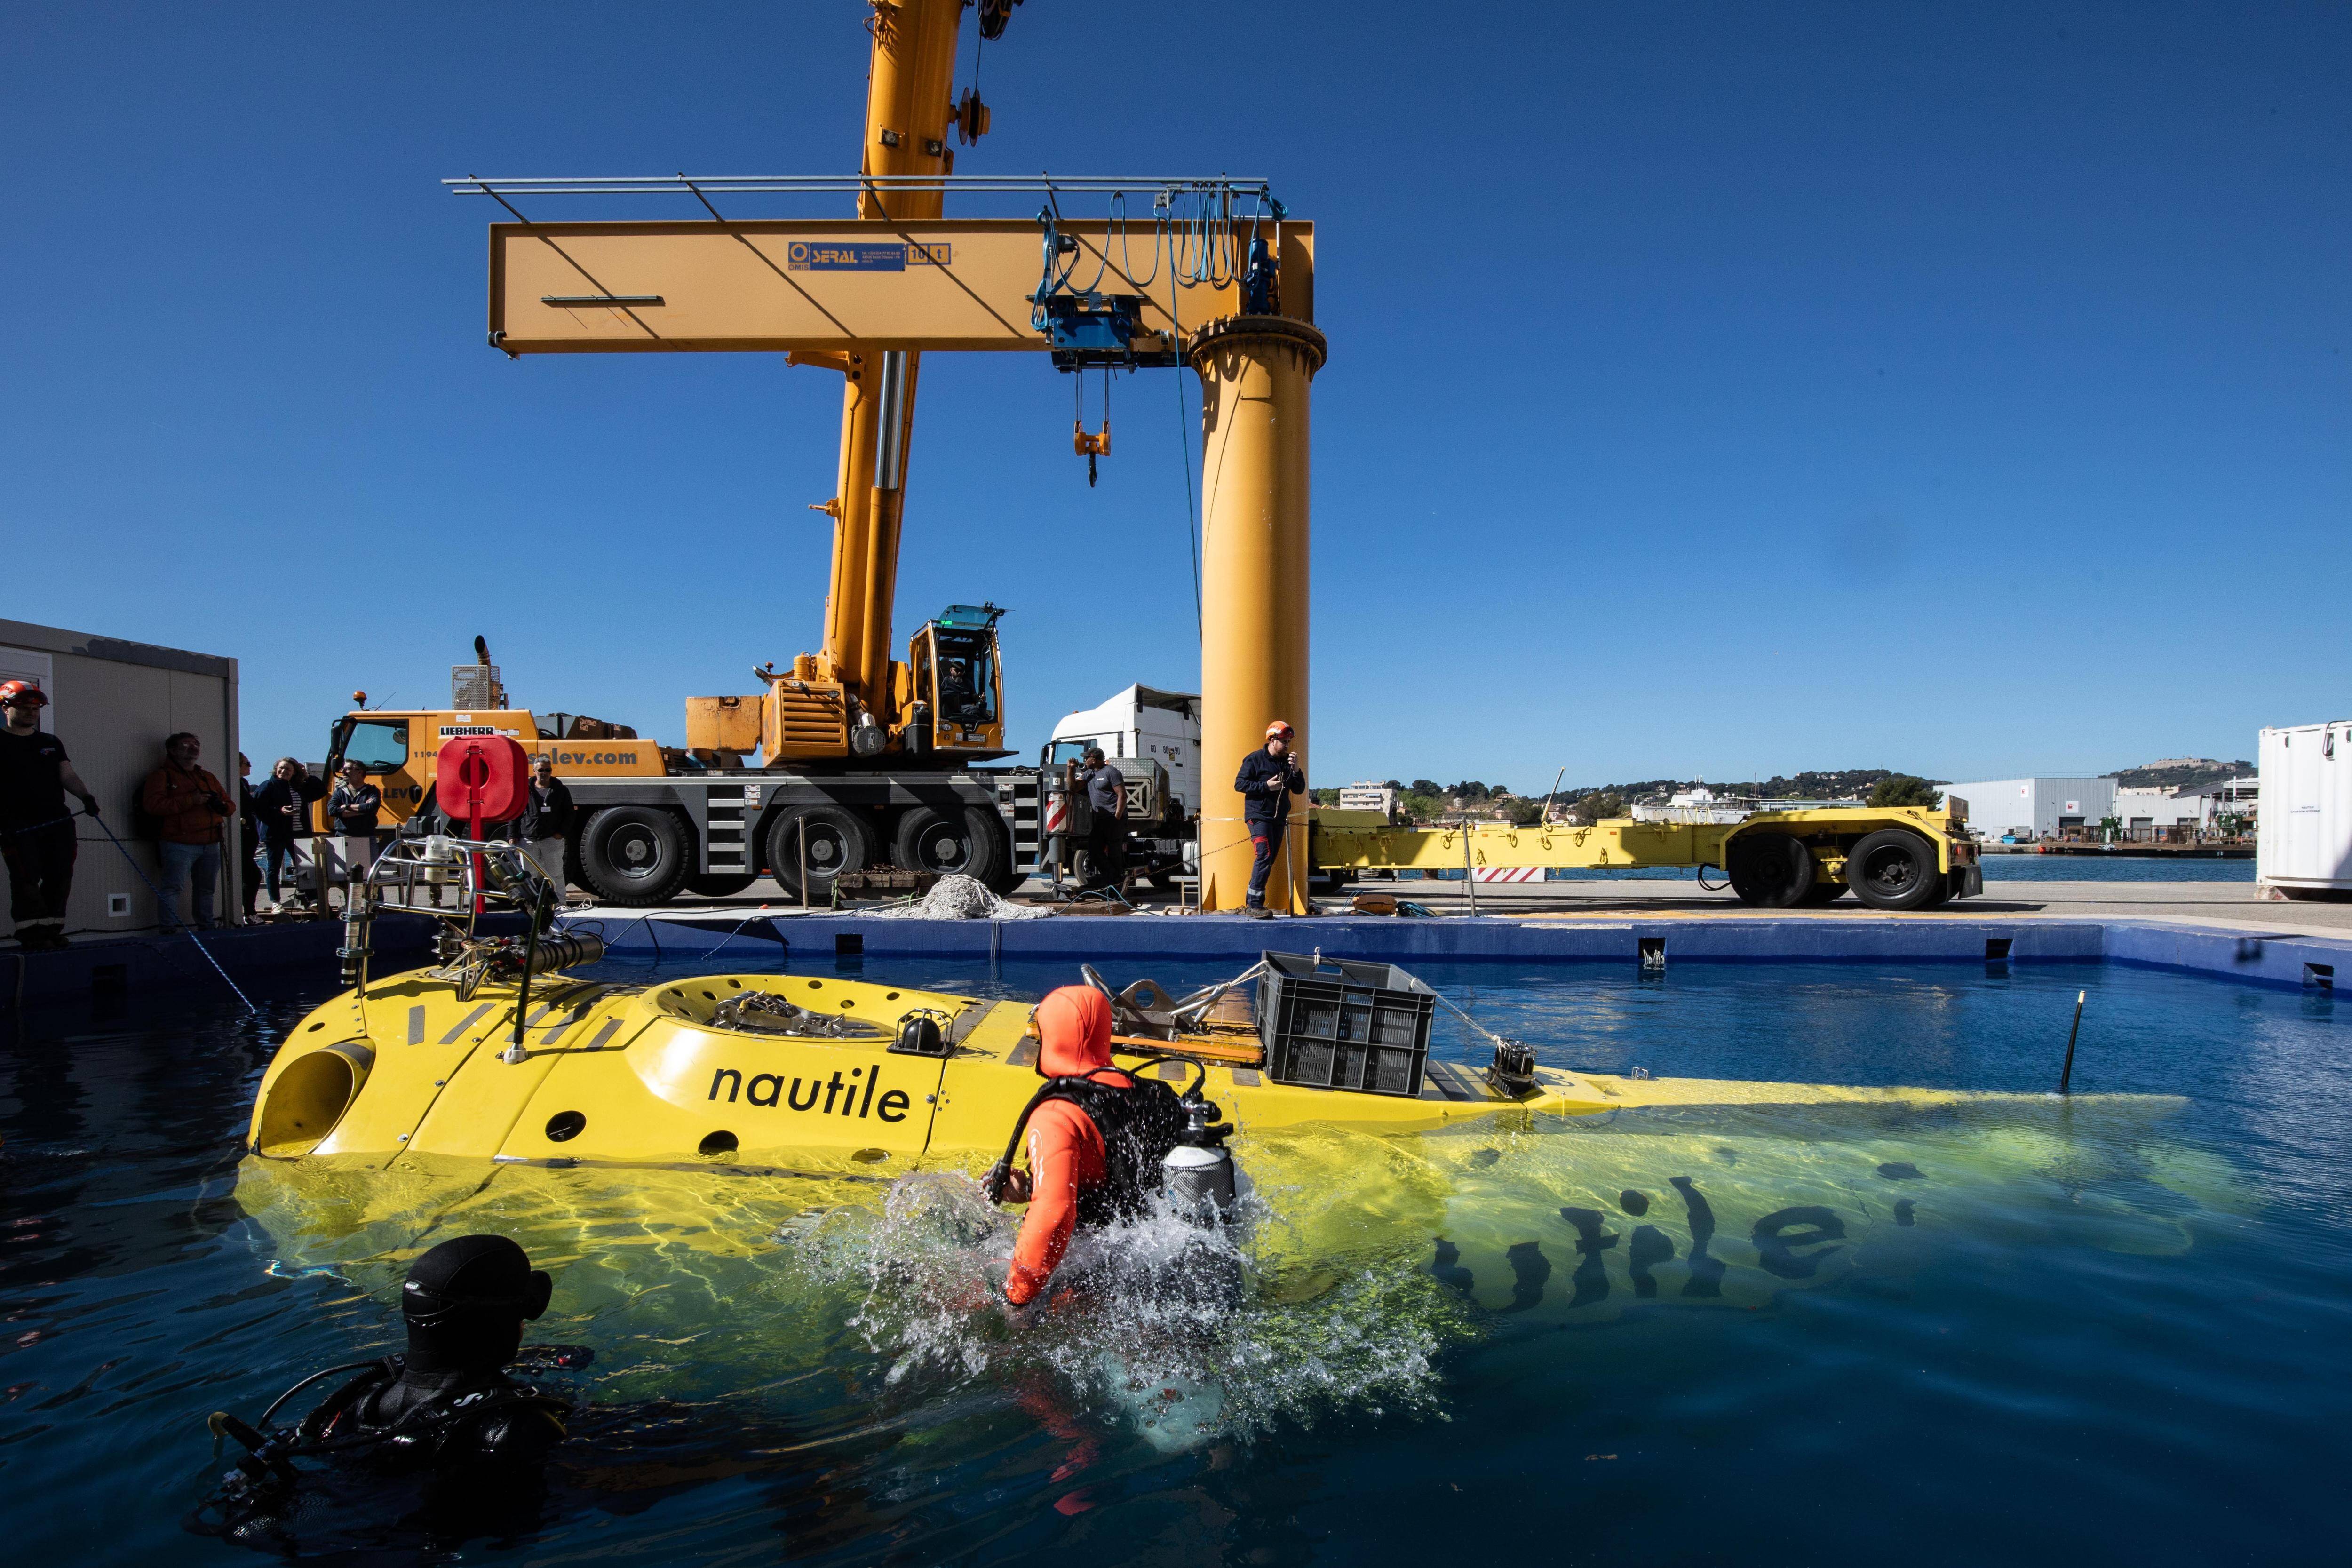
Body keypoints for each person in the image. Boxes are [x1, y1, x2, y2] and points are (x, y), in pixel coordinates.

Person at [990, 986, 1187, 1306]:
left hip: (1093, 1283)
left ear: (1051, 1036)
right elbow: (1120, 1181)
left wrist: (1015, 1300)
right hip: (1152, 1266)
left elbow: (1053, 1216)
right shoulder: (1153, 1095)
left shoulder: (1056, 1113)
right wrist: (1030, 1187)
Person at [0, 681, 99, 952]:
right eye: (25, 707)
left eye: (36, 708)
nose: (32, 713)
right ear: (6, 707)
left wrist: (86, 797)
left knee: (61, 875)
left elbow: (66, 774)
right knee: (26, 877)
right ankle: (31, 934)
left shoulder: (50, 743)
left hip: (58, 822)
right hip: (17, 826)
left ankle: (53, 930)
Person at [141, 732, 235, 930]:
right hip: (178, 843)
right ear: (172, 750)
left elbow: (230, 805)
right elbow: (153, 806)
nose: (193, 749)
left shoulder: (207, 777)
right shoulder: (161, 776)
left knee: (206, 889)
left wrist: (221, 807)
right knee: (173, 888)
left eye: (196, 745)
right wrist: (190, 801)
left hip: (210, 843)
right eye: (186, 745)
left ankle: (207, 928)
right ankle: (168, 930)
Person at [1232, 719, 1305, 918]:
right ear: (1272, 740)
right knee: (1264, 856)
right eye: (1284, 742)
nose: (1287, 746)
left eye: (1289, 742)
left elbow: (1299, 789)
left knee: (1269, 859)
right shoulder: (1254, 760)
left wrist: (1297, 771)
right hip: (1259, 817)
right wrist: (1266, 786)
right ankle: (1254, 904)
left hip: (1278, 819)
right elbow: (1240, 784)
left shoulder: (1287, 764)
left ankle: (1252, 898)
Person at [251, 756, 326, 912]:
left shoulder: (298, 787)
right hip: (276, 834)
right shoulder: (267, 787)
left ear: (294, 773)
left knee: (305, 866)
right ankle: (276, 902)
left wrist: (307, 776)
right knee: (274, 867)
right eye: (282, 768)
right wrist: (280, 812)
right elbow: (259, 810)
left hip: (298, 833)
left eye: (288, 769)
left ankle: (312, 899)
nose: (284, 771)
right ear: (276, 769)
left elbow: (321, 792)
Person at [328, 760, 383, 903]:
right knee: (348, 876)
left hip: (366, 837)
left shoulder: (372, 791)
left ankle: (376, 904)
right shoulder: (340, 791)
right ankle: (352, 905)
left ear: (360, 772)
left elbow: (371, 808)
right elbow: (332, 810)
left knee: (372, 873)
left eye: (348, 769)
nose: (344, 771)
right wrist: (360, 810)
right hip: (344, 838)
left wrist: (346, 807)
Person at [521, 756, 574, 889]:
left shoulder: (561, 790)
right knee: (528, 875)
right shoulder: (525, 790)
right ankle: (532, 904)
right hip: (529, 840)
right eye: (541, 770)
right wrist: (512, 835)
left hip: (551, 839)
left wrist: (561, 833)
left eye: (547, 770)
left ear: (551, 771)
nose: (544, 773)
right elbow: (516, 814)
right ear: (534, 771)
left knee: (556, 874)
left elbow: (569, 814)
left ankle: (560, 903)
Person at [1077, 746, 1126, 890]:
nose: (1085, 760)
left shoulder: (1112, 772)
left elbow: (1122, 796)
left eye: (1087, 757)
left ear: (1095, 759)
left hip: (1114, 818)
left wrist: (1116, 818)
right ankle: (1111, 878)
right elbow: (1073, 788)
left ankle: (1116, 884)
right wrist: (1070, 769)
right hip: (1101, 820)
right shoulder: (1088, 774)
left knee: (1114, 851)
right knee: (1093, 848)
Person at [237, 754, 264, 919]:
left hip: (249, 835)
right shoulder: (234, 783)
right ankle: (249, 913)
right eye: (247, 763)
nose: (250, 767)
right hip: (241, 835)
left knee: (251, 874)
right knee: (253, 875)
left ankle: (248, 912)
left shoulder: (244, 783)